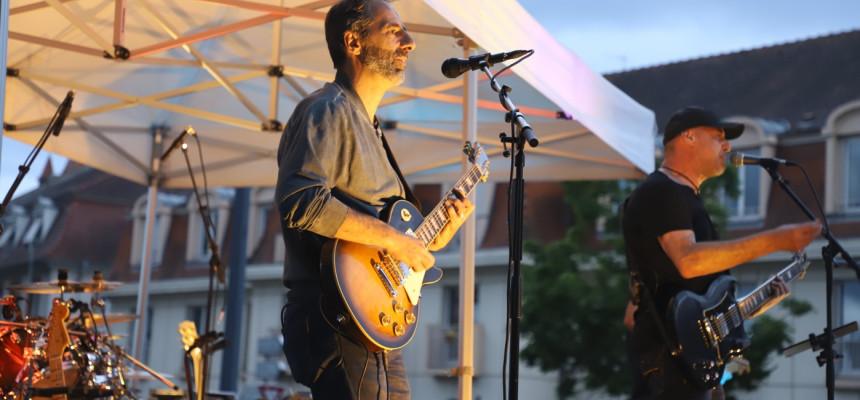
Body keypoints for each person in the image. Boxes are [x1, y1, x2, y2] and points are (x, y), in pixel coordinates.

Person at [275, 0, 474, 398]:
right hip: (335, 316)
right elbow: (302, 201)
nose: (410, 42)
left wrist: (429, 239)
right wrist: (396, 240)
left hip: (370, 322)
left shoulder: (369, 126)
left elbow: (376, 234)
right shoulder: (326, 110)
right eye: (393, 30)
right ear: (353, 42)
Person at [621, 106, 821, 400]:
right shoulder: (661, 192)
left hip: (689, 368)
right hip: (668, 366)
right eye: (718, 137)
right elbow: (688, 261)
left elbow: (695, 304)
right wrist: (774, 241)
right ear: (689, 137)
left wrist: (752, 307)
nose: (727, 146)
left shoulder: (685, 197)